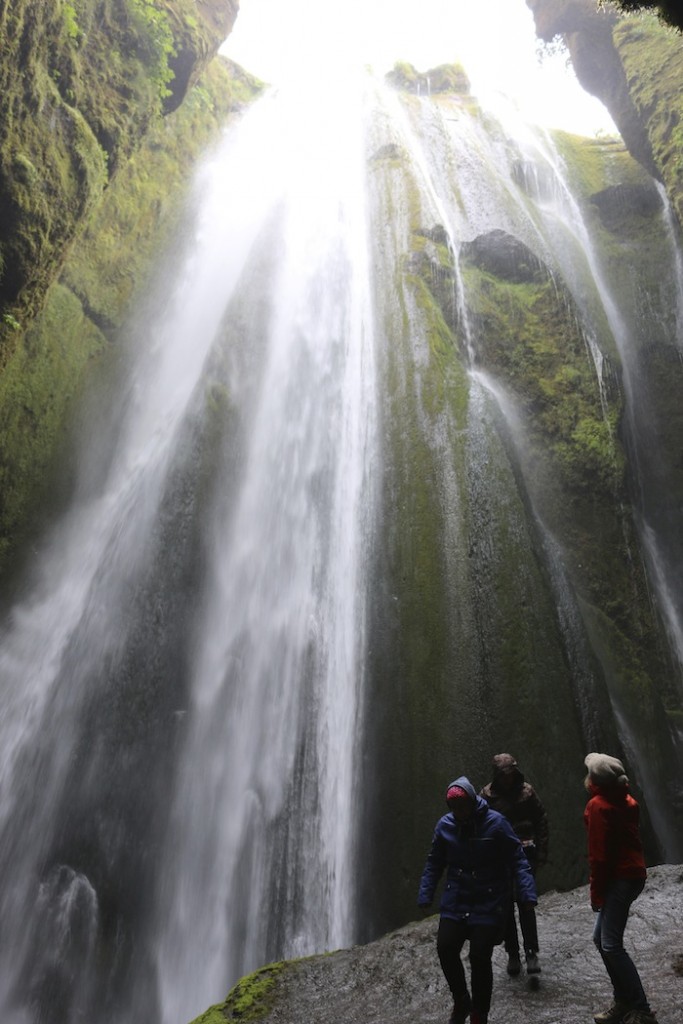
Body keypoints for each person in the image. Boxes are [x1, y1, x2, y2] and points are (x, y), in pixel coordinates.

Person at [418, 775, 537, 1024]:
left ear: (472, 801)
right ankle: (461, 999)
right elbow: (434, 862)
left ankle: (479, 1013)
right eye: (454, 808)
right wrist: (426, 892)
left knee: (479, 956)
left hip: (489, 901)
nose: (459, 812)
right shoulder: (445, 826)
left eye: (462, 806)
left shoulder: (496, 824)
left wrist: (526, 893)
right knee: (445, 947)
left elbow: (517, 858)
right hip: (456, 899)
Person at [583, 752, 656, 1024]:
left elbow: (599, 856)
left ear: (595, 780)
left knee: (611, 945)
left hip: (620, 877)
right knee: (600, 940)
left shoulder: (598, 807)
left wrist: (596, 893)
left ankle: (641, 1008)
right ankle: (623, 1001)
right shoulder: (628, 800)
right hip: (633, 873)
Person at [479, 753, 548, 977]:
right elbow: (480, 827)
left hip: (525, 854)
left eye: (510, 774)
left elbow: (541, 820)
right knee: (506, 906)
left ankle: (531, 953)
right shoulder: (487, 796)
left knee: (526, 903)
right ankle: (513, 955)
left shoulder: (526, 792)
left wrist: (541, 851)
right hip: (499, 858)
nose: (508, 778)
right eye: (504, 774)